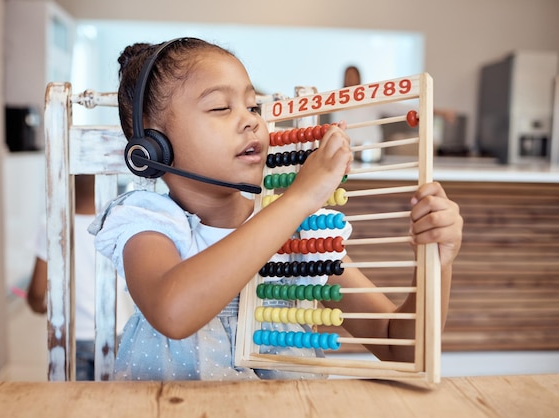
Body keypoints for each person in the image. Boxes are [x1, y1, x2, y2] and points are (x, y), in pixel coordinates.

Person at [90, 38, 463, 381]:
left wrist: (436, 264)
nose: (252, 119)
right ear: (154, 144)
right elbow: (173, 312)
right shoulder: (148, 222)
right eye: (220, 107)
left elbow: (401, 347)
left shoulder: (303, 234)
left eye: (253, 106)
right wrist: (299, 198)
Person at [27, 174, 131, 381]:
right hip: (115, 329)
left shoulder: (53, 224)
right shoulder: (119, 224)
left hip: (70, 335)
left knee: (75, 402)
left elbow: (37, 293)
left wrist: (39, 305)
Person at [330, 65, 457, 162]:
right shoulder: (335, 103)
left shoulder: (370, 98)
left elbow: (401, 108)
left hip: (370, 154)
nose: (350, 79)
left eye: (353, 75)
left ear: (359, 78)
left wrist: (440, 112)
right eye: (347, 76)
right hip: (343, 154)